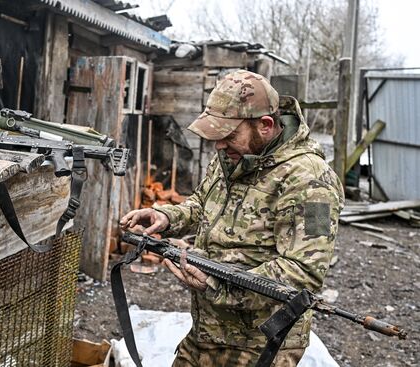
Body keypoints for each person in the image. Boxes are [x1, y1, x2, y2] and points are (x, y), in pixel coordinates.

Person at [120, 70, 344, 367]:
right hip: (206, 333)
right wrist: (167, 215)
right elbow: (203, 203)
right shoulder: (233, 155)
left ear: (265, 125)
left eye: (227, 135)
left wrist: (217, 283)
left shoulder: (311, 181)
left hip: (258, 346)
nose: (218, 145)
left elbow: (303, 273)